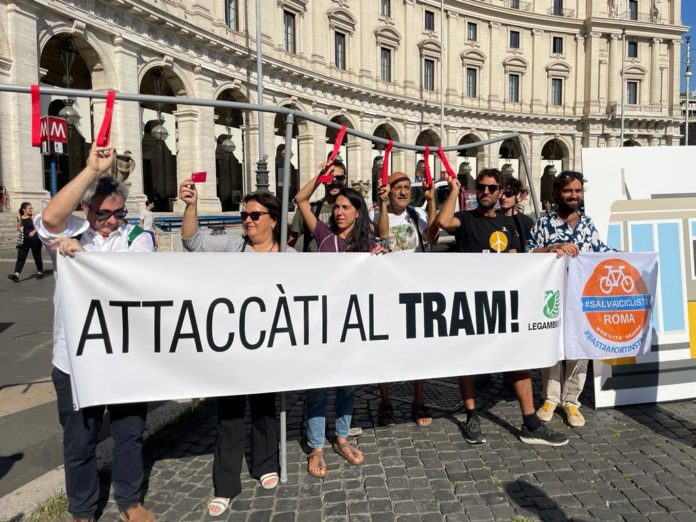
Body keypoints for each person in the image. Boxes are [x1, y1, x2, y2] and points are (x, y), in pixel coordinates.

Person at [36, 143, 155, 522]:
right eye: (105, 214)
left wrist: (84, 257)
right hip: (74, 357)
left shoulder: (138, 238)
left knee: (129, 435)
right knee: (79, 441)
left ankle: (130, 502)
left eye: (119, 213)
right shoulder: (71, 231)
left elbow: (130, 280)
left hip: (125, 358)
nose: (113, 221)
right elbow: (51, 219)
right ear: (87, 210)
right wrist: (90, 170)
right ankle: (83, 510)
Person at [437, 168, 569, 447]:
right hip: (471, 303)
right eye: (481, 187)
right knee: (469, 362)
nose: (486, 192)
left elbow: (525, 256)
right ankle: (472, 415)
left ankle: (530, 422)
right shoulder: (466, 219)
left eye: (492, 188)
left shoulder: (511, 223)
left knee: (517, 359)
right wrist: (453, 191)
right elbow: (443, 221)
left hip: (504, 304)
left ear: (500, 192)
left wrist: (550, 250)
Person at [179, 180, 282, 517]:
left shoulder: (291, 256)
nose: (248, 220)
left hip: (271, 345)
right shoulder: (232, 245)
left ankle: (265, 463)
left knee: (266, 407)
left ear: (273, 219)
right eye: (245, 215)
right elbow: (192, 242)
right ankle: (225, 485)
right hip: (233, 346)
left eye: (255, 214)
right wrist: (191, 206)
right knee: (229, 413)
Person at [295, 162, 383, 479]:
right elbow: (301, 201)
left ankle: (342, 437)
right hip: (322, 322)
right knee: (318, 388)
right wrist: (319, 175)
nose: (339, 212)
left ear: (359, 212)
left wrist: (380, 260)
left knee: (347, 386)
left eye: (346, 207)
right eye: (336, 207)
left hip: (352, 324)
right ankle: (316, 445)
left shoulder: (368, 247)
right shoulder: (324, 237)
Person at [528, 171, 612, 428]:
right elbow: (528, 253)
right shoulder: (543, 224)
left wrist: (636, 261)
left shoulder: (588, 224)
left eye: (577, 191)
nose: (573, 196)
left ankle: (571, 400)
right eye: (568, 191)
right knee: (551, 346)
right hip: (551, 297)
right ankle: (550, 398)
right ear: (557, 193)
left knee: (579, 349)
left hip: (582, 299)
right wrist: (550, 249)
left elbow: (603, 254)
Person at [371, 171, 439, 427]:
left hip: (414, 291)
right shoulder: (376, 214)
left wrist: (432, 202)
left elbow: (432, 235)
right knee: (384, 348)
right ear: (388, 190)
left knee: (417, 348)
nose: (403, 191)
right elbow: (382, 236)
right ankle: (386, 401)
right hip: (387, 291)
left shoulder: (416, 215)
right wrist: (383, 205)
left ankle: (418, 400)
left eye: (407, 187)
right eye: (397, 187)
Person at [288, 159, 348, 252]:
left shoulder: (352, 210)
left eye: (339, 178)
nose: (334, 181)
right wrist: (322, 174)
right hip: (314, 264)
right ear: (323, 180)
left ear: (345, 180)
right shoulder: (308, 209)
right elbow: (290, 242)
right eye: (330, 177)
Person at [8, 202, 44, 282]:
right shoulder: (19, 217)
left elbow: (40, 225)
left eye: (31, 208)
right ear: (24, 209)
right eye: (30, 208)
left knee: (37, 256)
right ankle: (16, 275)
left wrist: (34, 231)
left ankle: (40, 271)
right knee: (20, 257)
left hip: (35, 239)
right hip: (24, 240)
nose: (31, 210)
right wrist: (19, 228)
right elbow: (17, 227)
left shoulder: (34, 217)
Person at [498, 178, 534, 250]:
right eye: (500, 194)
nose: (503, 197)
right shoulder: (491, 218)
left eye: (508, 194)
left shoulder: (527, 222)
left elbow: (531, 249)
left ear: (518, 195)